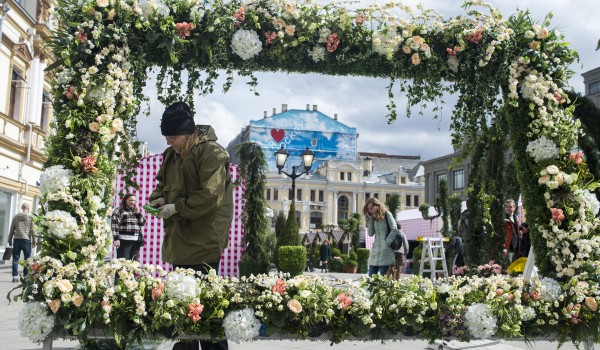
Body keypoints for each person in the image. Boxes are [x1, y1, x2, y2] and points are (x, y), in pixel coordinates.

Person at [149, 101, 233, 350]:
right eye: (165, 136)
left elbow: (210, 195)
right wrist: (159, 199)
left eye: (172, 136)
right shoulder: (171, 155)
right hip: (179, 238)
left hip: (205, 240)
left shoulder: (213, 154)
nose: (167, 142)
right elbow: (161, 185)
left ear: (188, 133)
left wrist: (177, 208)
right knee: (180, 303)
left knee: (206, 310)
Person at [363, 197, 398, 277]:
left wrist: (387, 243)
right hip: (375, 252)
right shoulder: (374, 218)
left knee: (382, 281)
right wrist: (371, 219)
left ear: (377, 206)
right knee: (371, 279)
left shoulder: (387, 214)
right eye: (368, 209)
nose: (370, 210)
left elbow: (394, 229)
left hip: (386, 252)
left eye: (371, 208)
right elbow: (370, 233)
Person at [111, 193, 147, 260]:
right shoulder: (119, 210)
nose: (132, 202)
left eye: (134, 201)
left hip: (136, 241)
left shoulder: (135, 210)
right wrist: (116, 239)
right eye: (130, 200)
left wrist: (138, 213)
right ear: (125, 200)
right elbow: (114, 225)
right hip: (124, 241)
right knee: (123, 263)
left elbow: (143, 223)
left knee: (133, 264)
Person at [8, 203, 35, 282]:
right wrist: (34, 240)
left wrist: (9, 240)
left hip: (16, 240)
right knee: (27, 259)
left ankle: (15, 276)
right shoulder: (30, 217)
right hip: (26, 240)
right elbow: (32, 230)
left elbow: (12, 229)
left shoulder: (16, 217)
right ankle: (26, 276)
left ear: (21, 208)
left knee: (15, 258)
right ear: (29, 209)